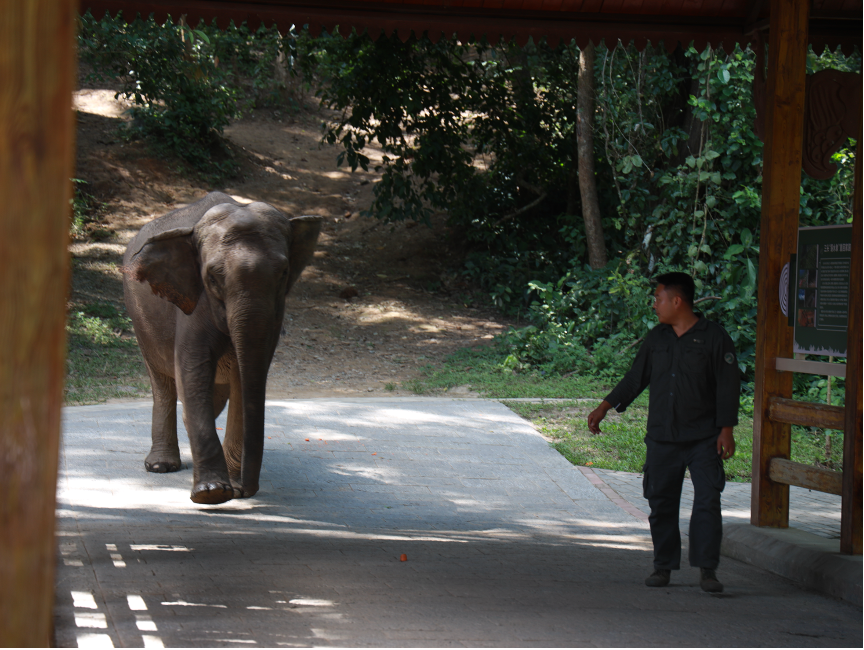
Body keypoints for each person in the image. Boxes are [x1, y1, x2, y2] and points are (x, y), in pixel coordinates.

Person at [587, 272, 739, 593]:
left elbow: (728, 386)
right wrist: (604, 406)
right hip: (662, 437)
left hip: (705, 438)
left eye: (658, 298)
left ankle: (707, 570)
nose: (654, 305)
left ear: (676, 301)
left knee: (708, 501)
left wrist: (726, 430)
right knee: (661, 503)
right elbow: (635, 378)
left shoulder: (715, 338)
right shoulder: (657, 338)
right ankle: (663, 566)